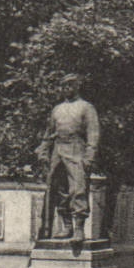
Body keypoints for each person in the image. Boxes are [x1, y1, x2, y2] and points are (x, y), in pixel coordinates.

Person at [36, 73, 100, 245]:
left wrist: (90, 155)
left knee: (78, 188)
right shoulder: (57, 109)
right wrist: (43, 150)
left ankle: (79, 228)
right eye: (64, 86)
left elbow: (93, 133)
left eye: (70, 85)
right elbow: (49, 133)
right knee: (59, 190)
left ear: (77, 86)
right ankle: (67, 226)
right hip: (58, 150)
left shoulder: (86, 107)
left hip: (76, 147)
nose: (66, 89)